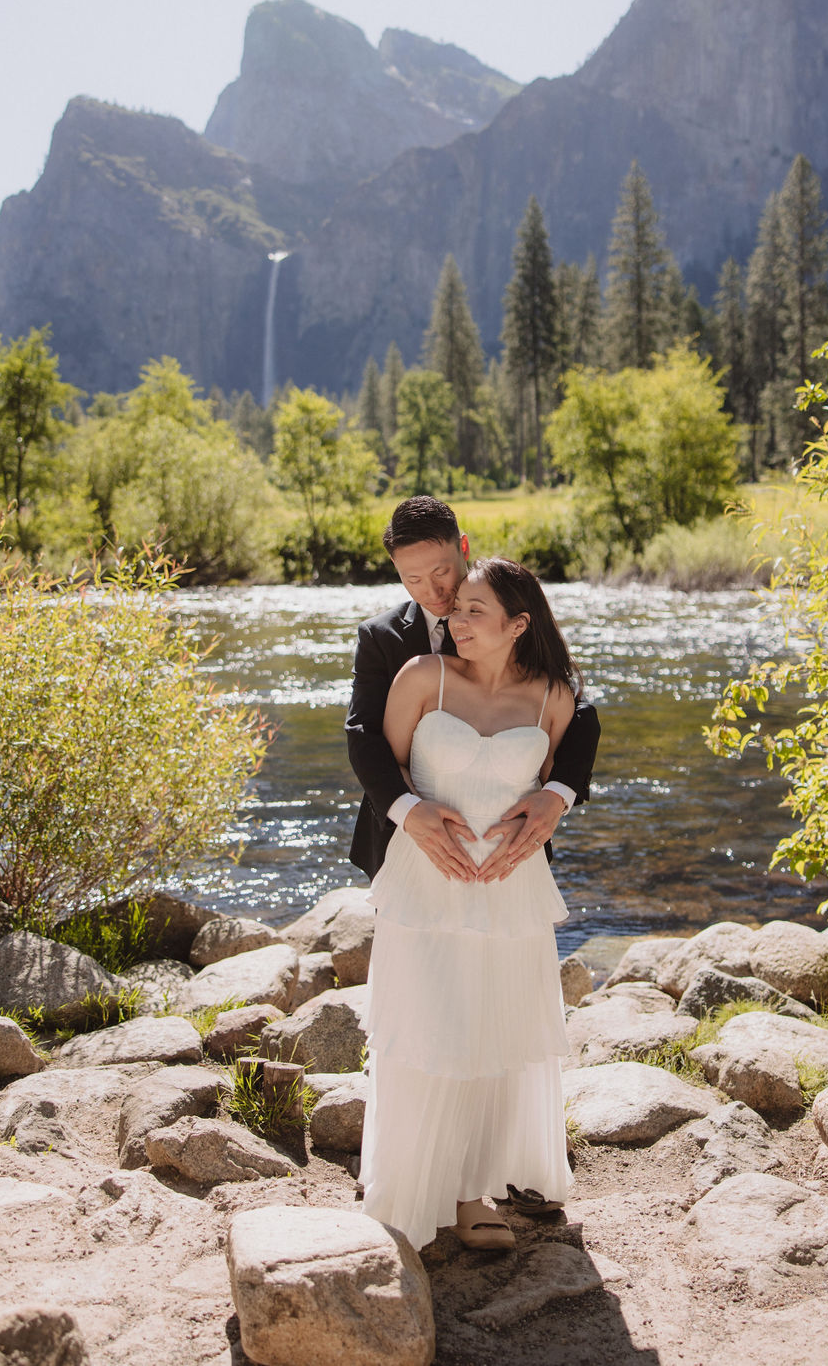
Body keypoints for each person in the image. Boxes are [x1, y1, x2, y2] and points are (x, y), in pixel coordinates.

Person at [358, 554, 585, 1251]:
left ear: (520, 624)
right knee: (432, 1027)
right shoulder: (422, 676)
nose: (455, 620)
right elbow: (383, 757)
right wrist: (411, 812)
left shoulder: (554, 695)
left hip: (509, 890)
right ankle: (414, 1184)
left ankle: (473, 1186)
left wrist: (557, 798)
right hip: (429, 882)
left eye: (473, 611)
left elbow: (558, 770)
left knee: (495, 1032)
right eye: (455, 611)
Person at [346, 497, 599, 883]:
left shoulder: (508, 604)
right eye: (411, 580)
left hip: (508, 849)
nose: (431, 591)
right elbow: (363, 733)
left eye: (440, 572)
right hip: (406, 837)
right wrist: (407, 809)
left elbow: (577, 711)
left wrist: (558, 794)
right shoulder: (382, 637)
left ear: (462, 547)